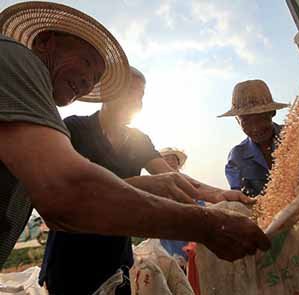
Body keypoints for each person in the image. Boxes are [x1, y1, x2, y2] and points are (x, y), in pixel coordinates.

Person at [0, 1, 270, 270]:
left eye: (95, 77)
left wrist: (221, 195)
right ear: (46, 41)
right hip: (72, 262)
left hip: (117, 259)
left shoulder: (138, 139)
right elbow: (67, 192)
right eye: (85, 62)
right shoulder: (30, 77)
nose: (87, 81)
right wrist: (208, 226)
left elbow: (174, 180)